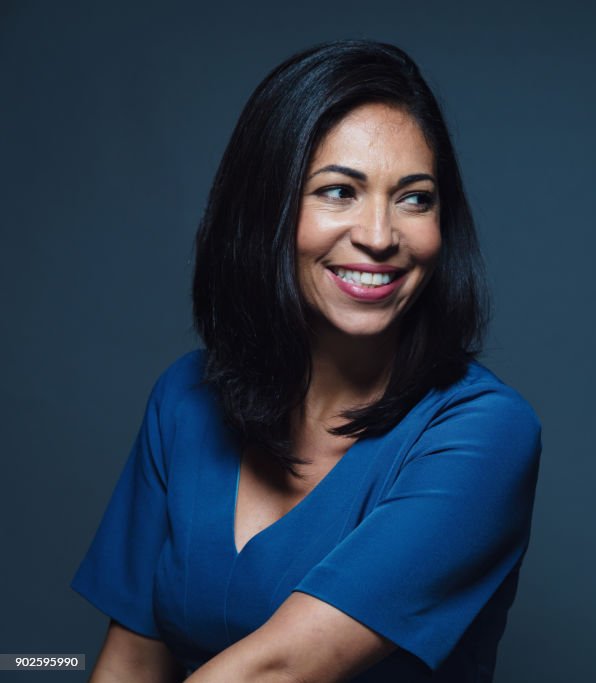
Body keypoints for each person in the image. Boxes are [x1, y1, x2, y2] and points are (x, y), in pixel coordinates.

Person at [70, 39, 543, 682]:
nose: (380, 236)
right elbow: (129, 663)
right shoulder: (186, 400)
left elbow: (277, 672)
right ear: (265, 208)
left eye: (414, 198)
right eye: (339, 191)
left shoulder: (485, 433)